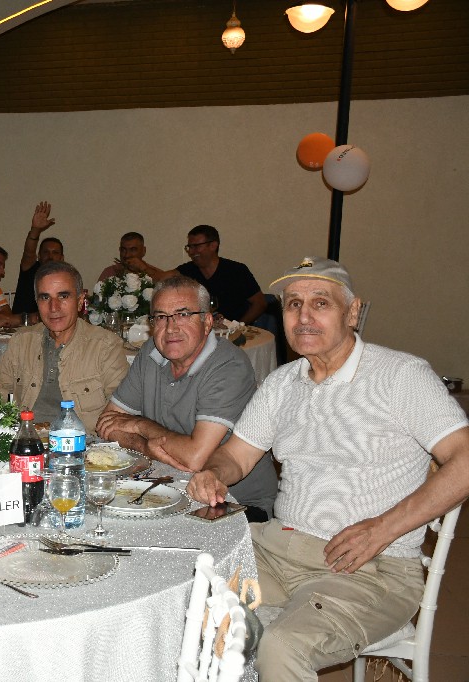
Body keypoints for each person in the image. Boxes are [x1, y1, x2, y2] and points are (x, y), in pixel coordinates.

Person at [187, 256, 469, 681]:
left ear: (353, 312)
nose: (304, 317)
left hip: (369, 569)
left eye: (321, 303)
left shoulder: (400, 377)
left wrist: (384, 528)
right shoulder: (283, 383)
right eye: (293, 304)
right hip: (277, 551)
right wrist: (213, 471)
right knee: (184, 598)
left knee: (281, 647)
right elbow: (237, 456)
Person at [95, 276, 276, 521]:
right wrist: (145, 447)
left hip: (231, 502)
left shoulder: (229, 366)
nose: (171, 328)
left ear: (207, 322)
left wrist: (140, 425)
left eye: (183, 314)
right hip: (166, 488)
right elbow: (107, 424)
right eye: (161, 317)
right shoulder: (151, 353)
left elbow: (194, 458)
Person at [0, 261, 128, 433]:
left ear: (80, 301)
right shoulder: (22, 341)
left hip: (81, 444)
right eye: (45, 298)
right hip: (26, 440)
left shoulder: (105, 347)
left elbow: (121, 411)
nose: (53, 308)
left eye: (63, 296)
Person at [123, 225, 267, 324]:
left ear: (213, 245)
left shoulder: (237, 270)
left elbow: (260, 303)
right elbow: (161, 279)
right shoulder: (188, 270)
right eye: (189, 247)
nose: (192, 252)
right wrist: (142, 266)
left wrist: (239, 325)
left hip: (234, 336)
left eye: (196, 246)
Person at [11, 201, 65, 316]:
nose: (50, 256)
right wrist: (35, 230)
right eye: (46, 252)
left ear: (62, 258)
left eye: (55, 253)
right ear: (39, 256)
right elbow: (28, 253)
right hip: (23, 324)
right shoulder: (31, 269)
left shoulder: (65, 277)